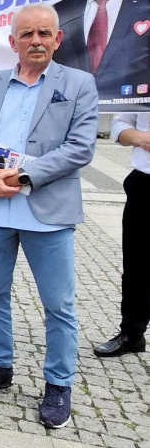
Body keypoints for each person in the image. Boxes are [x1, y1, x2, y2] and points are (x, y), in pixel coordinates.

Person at [0, 2, 98, 429]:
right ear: (13, 41)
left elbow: (80, 147)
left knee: (58, 305)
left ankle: (58, 383)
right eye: (27, 34)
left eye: (44, 33)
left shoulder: (79, 83)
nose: (35, 41)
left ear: (57, 39)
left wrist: (24, 176)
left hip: (47, 213)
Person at [94, 112, 150, 357]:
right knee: (137, 266)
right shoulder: (141, 78)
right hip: (145, 183)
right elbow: (119, 123)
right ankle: (132, 334)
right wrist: (140, 138)